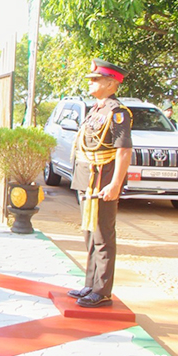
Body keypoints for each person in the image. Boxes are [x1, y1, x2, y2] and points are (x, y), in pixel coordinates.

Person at [68, 58, 132, 308]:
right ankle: (91, 283)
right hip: (87, 176)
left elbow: (123, 150)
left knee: (103, 234)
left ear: (110, 83)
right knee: (89, 232)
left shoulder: (117, 113)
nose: (91, 83)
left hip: (103, 177)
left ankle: (103, 290)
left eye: (96, 80)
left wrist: (115, 184)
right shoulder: (96, 109)